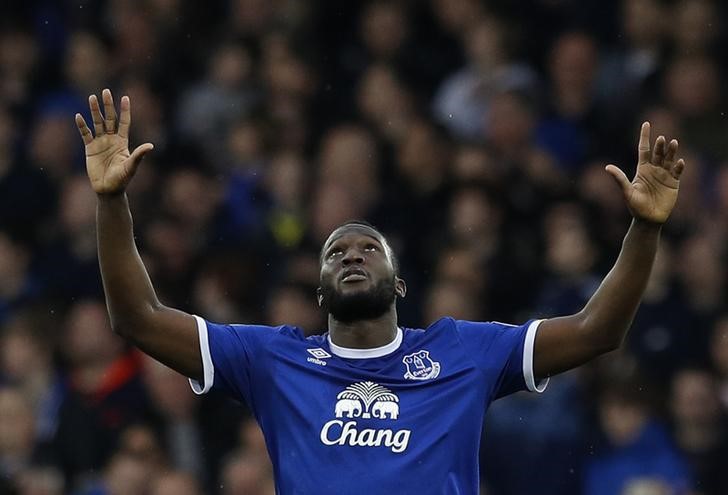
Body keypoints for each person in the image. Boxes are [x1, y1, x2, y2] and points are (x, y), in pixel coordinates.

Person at [74, 88, 685, 494]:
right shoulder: (273, 360)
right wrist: (110, 201)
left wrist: (645, 228)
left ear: (398, 282)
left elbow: (596, 330)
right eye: (335, 252)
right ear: (319, 294)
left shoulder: (463, 352)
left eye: (368, 247)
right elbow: (138, 318)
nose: (351, 254)